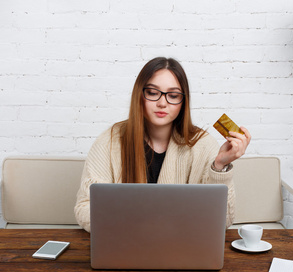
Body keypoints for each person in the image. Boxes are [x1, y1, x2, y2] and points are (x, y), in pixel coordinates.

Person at [75, 57, 251, 232]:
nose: (162, 103)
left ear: (183, 102)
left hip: (182, 249)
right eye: (152, 93)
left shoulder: (203, 144)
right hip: (126, 243)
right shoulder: (110, 140)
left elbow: (223, 221)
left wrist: (220, 166)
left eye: (173, 95)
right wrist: (136, 225)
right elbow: (84, 208)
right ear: (139, 94)